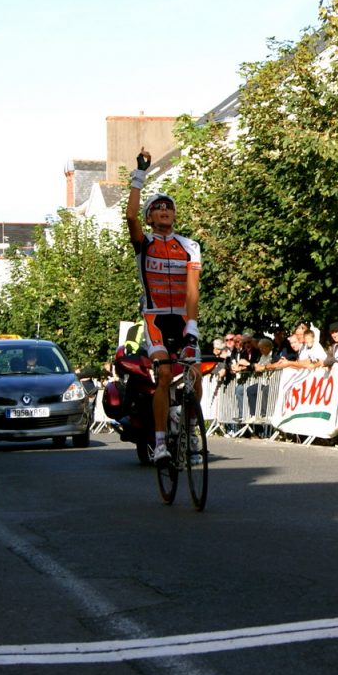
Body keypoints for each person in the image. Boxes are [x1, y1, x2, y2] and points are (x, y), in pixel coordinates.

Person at [127, 148, 201, 467]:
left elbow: (193, 291)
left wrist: (193, 327)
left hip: (183, 319)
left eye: (168, 208)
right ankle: (159, 443)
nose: (164, 212)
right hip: (155, 319)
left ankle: (189, 431)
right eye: (157, 209)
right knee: (165, 373)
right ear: (149, 217)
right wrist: (139, 175)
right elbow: (129, 216)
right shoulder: (145, 244)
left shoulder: (189, 247)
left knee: (195, 373)